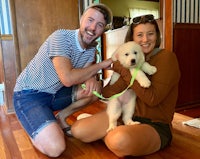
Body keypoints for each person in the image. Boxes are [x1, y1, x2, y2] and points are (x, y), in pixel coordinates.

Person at [71, 14, 181, 157]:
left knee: (118, 140)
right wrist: (98, 79)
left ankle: (113, 137)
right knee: (78, 130)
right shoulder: (126, 58)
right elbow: (107, 93)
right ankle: (114, 135)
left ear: (157, 36)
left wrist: (123, 70)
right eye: (140, 35)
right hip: (124, 116)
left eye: (150, 34)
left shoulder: (166, 58)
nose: (145, 40)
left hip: (154, 124)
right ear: (131, 39)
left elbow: (152, 99)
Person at [13, 3, 113, 157]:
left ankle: (60, 117)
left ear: (103, 30)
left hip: (55, 93)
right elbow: (67, 79)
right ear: (81, 19)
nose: (93, 28)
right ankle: (35, 127)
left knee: (95, 90)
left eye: (99, 25)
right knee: (56, 148)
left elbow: (82, 77)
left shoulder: (91, 49)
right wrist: (102, 65)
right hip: (28, 95)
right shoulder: (61, 37)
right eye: (90, 20)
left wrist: (92, 77)